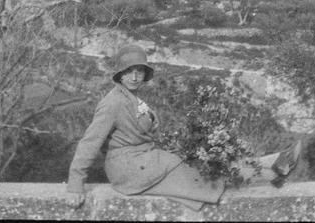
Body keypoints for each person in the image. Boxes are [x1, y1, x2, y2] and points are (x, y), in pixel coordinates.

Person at [67, 44, 302, 211]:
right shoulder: (113, 102)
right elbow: (89, 143)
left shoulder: (132, 98)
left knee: (204, 164)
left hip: (145, 163)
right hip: (129, 170)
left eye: (140, 71)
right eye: (129, 71)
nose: (135, 77)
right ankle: (272, 169)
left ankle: (270, 165)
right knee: (202, 173)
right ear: (120, 75)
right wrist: (75, 184)